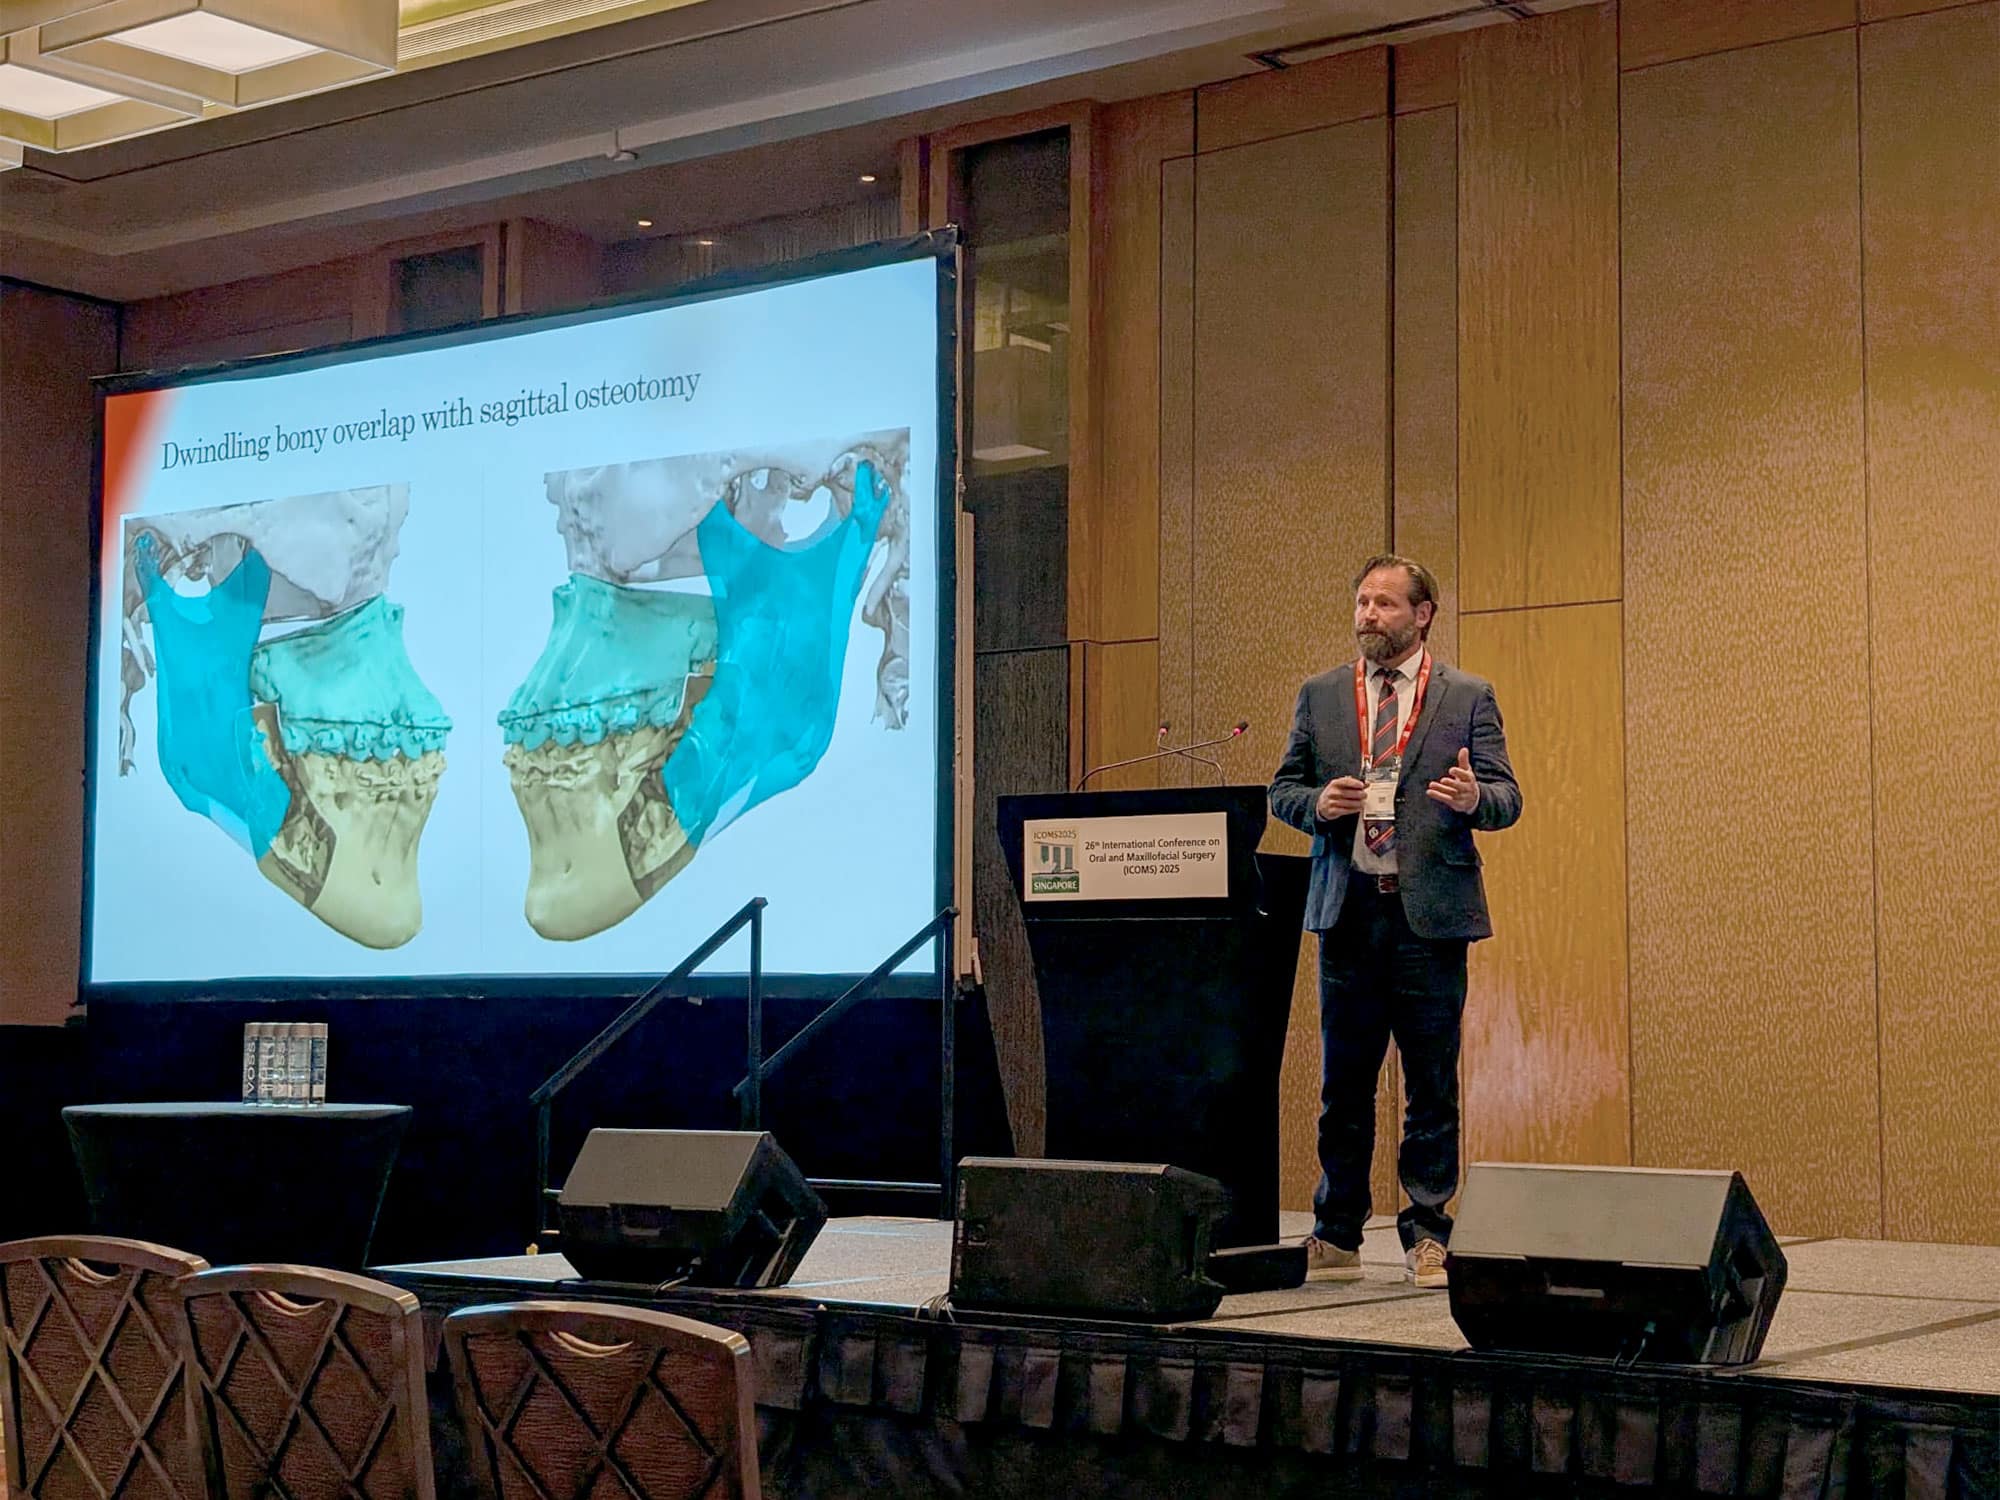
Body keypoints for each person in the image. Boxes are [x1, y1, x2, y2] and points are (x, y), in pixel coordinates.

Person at [1269, 554, 1521, 1288]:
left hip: (1429, 920)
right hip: (1347, 913)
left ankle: (1429, 1231)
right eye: (1361, 603)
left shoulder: (1468, 697)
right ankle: (1337, 1230)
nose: (1367, 616)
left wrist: (1476, 798)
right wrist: (1316, 806)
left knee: (1430, 1083)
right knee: (1343, 1084)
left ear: (1423, 614)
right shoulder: (1320, 697)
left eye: (1384, 604)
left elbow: (1508, 798)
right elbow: (1283, 790)